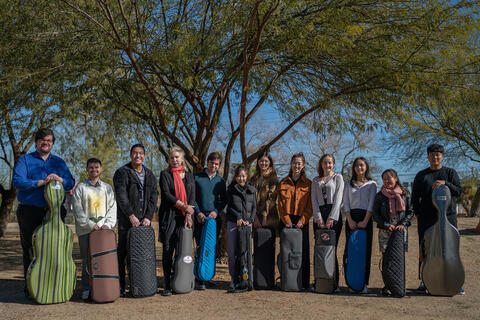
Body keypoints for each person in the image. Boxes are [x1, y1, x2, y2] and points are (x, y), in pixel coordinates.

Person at [12, 128, 75, 299]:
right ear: (36, 142)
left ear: (52, 143)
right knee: (31, 249)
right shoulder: (25, 160)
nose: (45, 143)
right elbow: (17, 180)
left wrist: (60, 179)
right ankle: (32, 288)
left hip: (55, 211)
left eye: (49, 140)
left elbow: (71, 182)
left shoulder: (59, 162)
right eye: (42, 140)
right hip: (30, 210)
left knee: (54, 248)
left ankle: (52, 285)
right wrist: (38, 182)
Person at [411, 143, 463, 294]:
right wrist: (418, 213)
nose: (435, 157)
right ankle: (424, 281)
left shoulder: (450, 173)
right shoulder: (421, 175)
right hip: (427, 219)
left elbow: (459, 191)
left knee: (450, 248)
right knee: (426, 249)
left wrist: (445, 183)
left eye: (438, 154)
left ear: (442, 156)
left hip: (448, 217)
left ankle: (455, 280)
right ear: (428, 156)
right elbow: (415, 197)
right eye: (432, 154)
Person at [113, 144, 158, 297]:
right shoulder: (122, 173)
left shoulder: (150, 175)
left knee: (142, 255)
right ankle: (120, 286)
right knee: (123, 252)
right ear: (130, 155)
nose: (138, 156)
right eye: (135, 153)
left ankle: (140, 284)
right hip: (127, 220)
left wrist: (148, 217)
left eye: (140, 153)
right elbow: (121, 196)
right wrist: (130, 215)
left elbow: (153, 197)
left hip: (144, 221)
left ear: (144, 156)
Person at [72, 158, 117, 300]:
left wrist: (107, 225)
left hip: (103, 232)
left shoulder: (107, 188)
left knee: (103, 260)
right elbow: (78, 210)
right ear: (87, 169)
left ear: (101, 169)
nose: (94, 170)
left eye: (96, 167)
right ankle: (87, 288)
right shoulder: (80, 188)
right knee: (87, 260)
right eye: (90, 167)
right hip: (86, 231)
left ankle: (102, 286)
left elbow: (112, 207)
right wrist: (91, 225)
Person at [158, 146, 195, 296]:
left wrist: (188, 214)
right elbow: (166, 195)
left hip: (185, 217)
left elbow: (192, 196)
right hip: (169, 216)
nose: (174, 160)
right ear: (169, 159)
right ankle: (167, 283)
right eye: (172, 157)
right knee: (168, 248)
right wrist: (183, 206)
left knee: (184, 250)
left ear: (182, 159)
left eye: (177, 157)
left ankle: (182, 280)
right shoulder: (165, 174)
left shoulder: (190, 176)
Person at [372, 169, 413, 295]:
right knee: (386, 258)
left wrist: (402, 224)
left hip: (400, 231)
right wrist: (385, 225)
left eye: (389, 177)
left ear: (396, 178)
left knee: (398, 258)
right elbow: (375, 214)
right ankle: (387, 285)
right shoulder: (380, 195)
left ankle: (398, 284)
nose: (387, 180)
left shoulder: (405, 194)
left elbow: (410, 212)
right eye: (384, 178)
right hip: (386, 230)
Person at [277, 152, 313, 290]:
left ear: (303, 166)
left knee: (303, 252)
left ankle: (303, 283)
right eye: (294, 163)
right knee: (286, 252)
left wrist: (303, 220)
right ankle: (287, 280)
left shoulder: (309, 184)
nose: (296, 166)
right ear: (291, 165)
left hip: (301, 221)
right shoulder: (283, 182)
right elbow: (280, 204)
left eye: (299, 163)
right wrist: (286, 219)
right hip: (286, 220)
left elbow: (310, 205)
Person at [193, 152, 227, 290]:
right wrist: (198, 212)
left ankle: (208, 277)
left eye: (217, 164)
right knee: (200, 247)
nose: (214, 166)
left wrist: (216, 212)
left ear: (219, 165)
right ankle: (199, 277)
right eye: (212, 163)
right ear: (207, 162)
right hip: (199, 218)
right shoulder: (197, 178)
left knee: (211, 247)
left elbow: (223, 200)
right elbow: (192, 198)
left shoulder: (220, 181)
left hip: (213, 220)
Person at [343, 157, 376, 294]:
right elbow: (346, 202)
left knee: (365, 251)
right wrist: (349, 219)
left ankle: (363, 283)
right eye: (357, 165)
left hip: (366, 219)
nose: (359, 168)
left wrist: (365, 221)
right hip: (351, 218)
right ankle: (351, 282)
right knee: (350, 251)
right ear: (354, 168)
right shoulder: (348, 184)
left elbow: (371, 204)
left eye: (362, 165)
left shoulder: (372, 184)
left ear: (366, 167)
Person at [311, 154, 344, 292]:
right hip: (319, 216)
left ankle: (333, 282)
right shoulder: (315, 180)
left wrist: (332, 217)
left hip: (333, 215)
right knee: (319, 249)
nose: (327, 165)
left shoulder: (338, 177)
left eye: (330, 163)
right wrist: (318, 218)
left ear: (333, 164)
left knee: (331, 250)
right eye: (325, 163)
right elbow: (313, 199)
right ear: (321, 164)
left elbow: (339, 198)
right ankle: (318, 281)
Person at [226, 165, 256, 292]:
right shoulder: (231, 189)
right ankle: (234, 278)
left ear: (247, 176)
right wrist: (238, 217)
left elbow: (254, 207)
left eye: (243, 176)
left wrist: (250, 220)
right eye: (239, 176)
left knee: (246, 253)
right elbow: (229, 207)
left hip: (247, 225)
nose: (241, 178)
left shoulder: (252, 190)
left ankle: (246, 278)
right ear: (235, 177)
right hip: (234, 223)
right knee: (233, 253)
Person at [251, 152, 279, 233]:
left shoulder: (272, 176)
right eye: (261, 161)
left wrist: (265, 216)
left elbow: (272, 197)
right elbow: (251, 198)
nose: (264, 163)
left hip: (269, 216)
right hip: (256, 216)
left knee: (268, 242)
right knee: (257, 243)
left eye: (266, 161)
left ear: (270, 162)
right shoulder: (254, 178)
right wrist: (255, 217)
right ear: (258, 162)